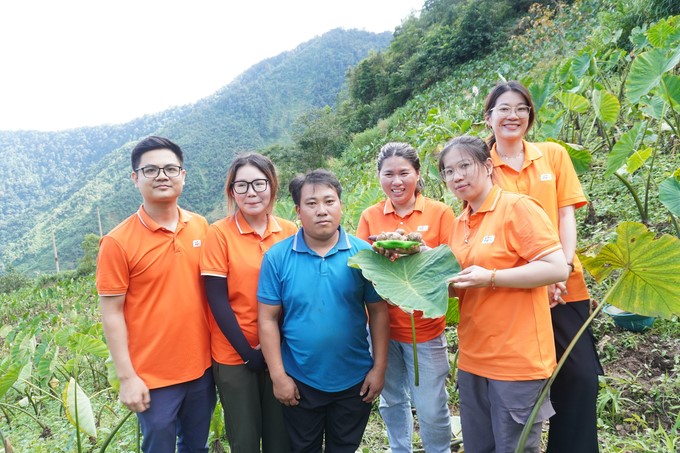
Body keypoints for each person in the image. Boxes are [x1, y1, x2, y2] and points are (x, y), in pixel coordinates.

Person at [483, 80, 603, 453]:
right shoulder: (483, 166)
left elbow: (566, 215)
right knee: (519, 384)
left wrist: (561, 269)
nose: (513, 115)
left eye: (521, 107)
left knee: (581, 377)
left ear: (530, 115)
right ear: (489, 118)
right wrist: (537, 276)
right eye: (504, 108)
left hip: (566, 284)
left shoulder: (552, 155)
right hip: (514, 287)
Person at [439, 135, 570, 453]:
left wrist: (492, 277)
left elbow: (556, 268)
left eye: (464, 166)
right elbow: (462, 286)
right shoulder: (459, 223)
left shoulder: (517, 208)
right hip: (473, 359)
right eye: (448, 171)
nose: (457, 176)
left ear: (487, 166)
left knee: (515, 448)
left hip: (516, 362)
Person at [96, 136, 216, 452]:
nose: (162, 175)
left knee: (195, 446)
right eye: (150, 170)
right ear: (135, 178)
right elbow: (111, 312)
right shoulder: (117, 242)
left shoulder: (201, 226)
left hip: (203, 368)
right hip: (153, 377)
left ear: (183, 175)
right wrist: (127, 378)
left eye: (170, 168)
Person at [257, 169, 390, 453]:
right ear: (298, 210)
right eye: (312, 203)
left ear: (341, 205)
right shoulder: (277, 257)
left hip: (354, 380)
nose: (322, 211)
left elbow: (378, 312)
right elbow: (267, 319)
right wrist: (278, 377)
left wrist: (379, 369)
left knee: (345, 448)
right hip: (300, 380)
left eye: (329, 202)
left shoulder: (363, 254)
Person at [356, 142, 454, 453]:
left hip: (423, 327)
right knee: (392, 399)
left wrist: (423, 253)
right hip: (382, 328)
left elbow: (452, 267)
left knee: (430, 405)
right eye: (388, 175)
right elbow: (362, 268)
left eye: (403, 173)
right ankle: (400, 449)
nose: (396, 182)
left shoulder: (440, 213)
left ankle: (438, 450)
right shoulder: (371, 217)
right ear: (379, 178)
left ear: (417, 173)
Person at [199, 153, 296, 453]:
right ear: (231, 192)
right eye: (241, 186)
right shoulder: (218, 234)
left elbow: (296, 292)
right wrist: (247, 354)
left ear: (272, 186)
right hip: (235, 354)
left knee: (281, 437)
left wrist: (273, 349)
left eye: (259, 183)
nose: (251, 192)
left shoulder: (290, 231)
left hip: (281, 352)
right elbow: (217, 299)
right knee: (245, 439)